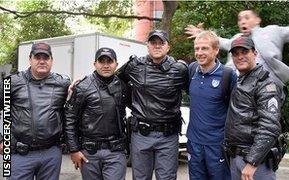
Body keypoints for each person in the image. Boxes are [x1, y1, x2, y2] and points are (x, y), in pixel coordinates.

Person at [117, 29, 188, 180]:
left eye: (161, 43)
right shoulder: (135, 65)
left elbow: (197, 91)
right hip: (141, 134)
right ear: (147, 45)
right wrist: (132, 102)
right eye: (153, 42)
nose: (157, 46)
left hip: (168, 136)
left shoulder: (180, 69)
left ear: (168, 47)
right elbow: (116, 79)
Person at [185, 9, 289, 86]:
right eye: (240, 19)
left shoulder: (273, 31)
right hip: (238, 88)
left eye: (247, 17)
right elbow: (221, 42)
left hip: (266, 87)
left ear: (257, 20)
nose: (242, 21)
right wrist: (202, 34)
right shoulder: (237, 38)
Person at [0, 42, 70, 180]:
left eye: (46, 57)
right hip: (18, 153)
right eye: (38, 57)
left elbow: (74, 112)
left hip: (51, 154)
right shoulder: (11, 82)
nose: (42, 61)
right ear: (30, 59)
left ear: (52, 60)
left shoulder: (63, 84)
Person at [225, 36, 284, 180]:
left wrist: (252, 162)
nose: (240, 57)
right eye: (236, 53)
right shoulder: (240, 80)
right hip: (236, 157)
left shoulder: (266, 84)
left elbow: (269, 126)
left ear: (255, 53)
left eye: (244, 52)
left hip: (256, 162)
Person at [64, 47, 129, 180]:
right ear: (95, 64)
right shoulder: (82, 87)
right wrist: (74, 150)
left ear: (116, 64)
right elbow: (70, 119)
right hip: (89, 152)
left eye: (109, 61)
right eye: (101, 61)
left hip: (115, 151)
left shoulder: (123, 86)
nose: (105, 65)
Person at [186, 30, 237, 180]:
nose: (199, 52)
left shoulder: (228, 75)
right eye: (197, 48)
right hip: (194, 143)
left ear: (216, 50)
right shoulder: (192, 70)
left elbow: (235, 112)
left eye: (205, 48)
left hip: (217, 146)